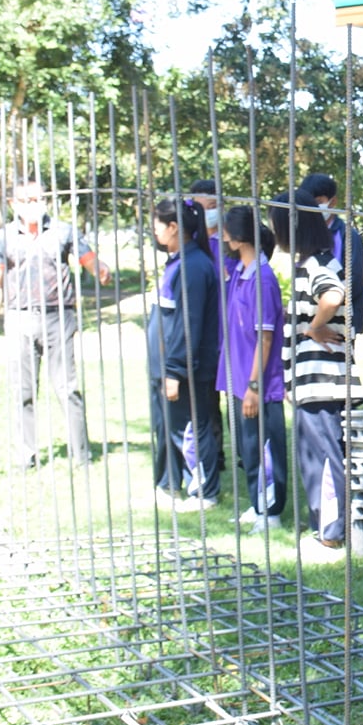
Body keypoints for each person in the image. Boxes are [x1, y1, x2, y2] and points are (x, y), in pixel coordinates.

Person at [0, 177, 110, 471]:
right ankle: (26, 457)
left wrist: (100, 270)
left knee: (67, 388)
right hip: (19, 317)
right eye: (25, 200)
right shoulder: (2, 239)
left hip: (58, 317)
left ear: (45, 201)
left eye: (37, 199)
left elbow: (90, 260)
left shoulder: (63, 231)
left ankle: (82, 456)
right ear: (13, 204)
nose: (32, 205)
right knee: (22, 391)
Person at [273, 187, 357, 565]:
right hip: (312, 379)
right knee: (314, 456)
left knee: (323, 457)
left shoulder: (317, 263)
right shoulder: (309, 261)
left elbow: (333, 295)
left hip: (323, 378)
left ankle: (331, 536)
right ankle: (324, 529)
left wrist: (313, 327)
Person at [154, 195, 223, 508]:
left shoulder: (193, 267)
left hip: (189, 369)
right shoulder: (180, 262)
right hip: (176, 365)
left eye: (157, 224)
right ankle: (177, 484)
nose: (154, 230)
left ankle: (205, 491)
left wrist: (175, 370)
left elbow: (188, 323)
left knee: (192, 429)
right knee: (179, 428)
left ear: (173, 227)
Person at [220, 205, 286, 531]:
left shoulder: (262, 279)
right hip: (238, 380)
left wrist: (254, 387)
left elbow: (266, 338)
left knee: (264, 447)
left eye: (226, 231)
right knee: (247, 446)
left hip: (258, 383)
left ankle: (271, 512)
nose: (222, 237)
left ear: (240, 237)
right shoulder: (240, 272)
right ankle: (257, 504)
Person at [301, 173, 363, 336]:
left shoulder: (347, 236)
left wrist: (327, 309)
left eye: (319, 202)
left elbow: (354, 279)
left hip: (339, 319)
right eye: (310, 203)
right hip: (311, 317)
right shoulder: (307, 234)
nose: (314, 207)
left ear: (333, 202)